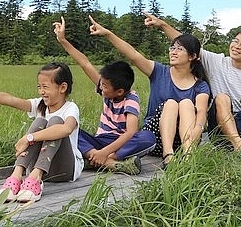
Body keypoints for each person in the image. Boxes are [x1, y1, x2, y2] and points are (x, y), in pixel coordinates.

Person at [144, 12, 241, 159]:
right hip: (222, 128)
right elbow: (188, 45)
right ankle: (240, 148)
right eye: (235, 41)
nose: (236, 46)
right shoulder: (217, 62)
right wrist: (162, 25)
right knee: (221, 97)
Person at [0, 62, 84, 203]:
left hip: (65, 170)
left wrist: (29, 137)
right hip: (39, 168)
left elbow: (66, 129)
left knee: (56, 122)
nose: (41, 91)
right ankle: (17, 175)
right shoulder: (40, 105)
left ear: (62, 87)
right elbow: (9, 99)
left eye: (45, 87)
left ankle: (35, 178)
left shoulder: (70, 108)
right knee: (39, 122)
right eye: (39, 87)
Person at [88, 15, 210, 168]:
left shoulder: (200, 85)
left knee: (186, 104)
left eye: (179, 49)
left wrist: (196, 133)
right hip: (156, 137)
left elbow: (202, 113)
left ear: (192, 56)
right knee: (171, 104)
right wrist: (108, 34)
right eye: (172, 48)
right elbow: (133, 54)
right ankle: (168, 156)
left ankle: (188, 156)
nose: (173, 52)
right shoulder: (159, 72)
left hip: (187, 138)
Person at [53, 16, 156, 175]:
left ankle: (99, 159)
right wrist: (62, 40)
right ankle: (109, 163)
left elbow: (130, 132)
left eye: (105, 86)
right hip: (100, 141)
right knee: (66, 128)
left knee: (148, 137)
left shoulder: (131, 99)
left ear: (120, 91)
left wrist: (105, 153)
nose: (101, 87)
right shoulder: (105, 88)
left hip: (121, 144)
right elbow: (85, 63)